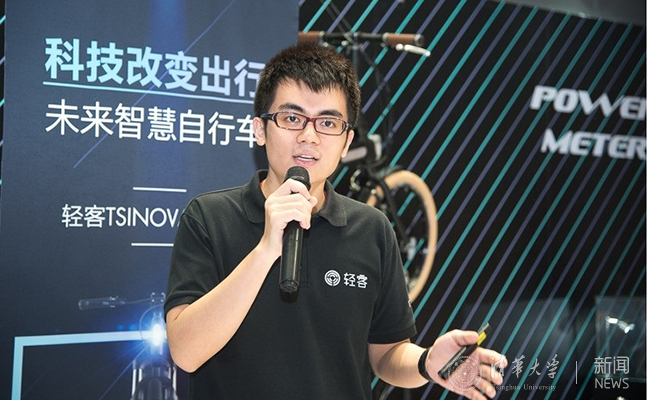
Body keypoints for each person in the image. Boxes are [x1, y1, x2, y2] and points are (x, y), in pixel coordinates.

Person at [164, 43, 506, 400]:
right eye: (292, 118)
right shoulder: (209, 217)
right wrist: (265, 250)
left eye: (328, 123)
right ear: (260, 129)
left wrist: (427, 363)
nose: (309, 136)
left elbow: (387, 354)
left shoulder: (372, 229)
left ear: (346, 143)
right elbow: (186, 353)